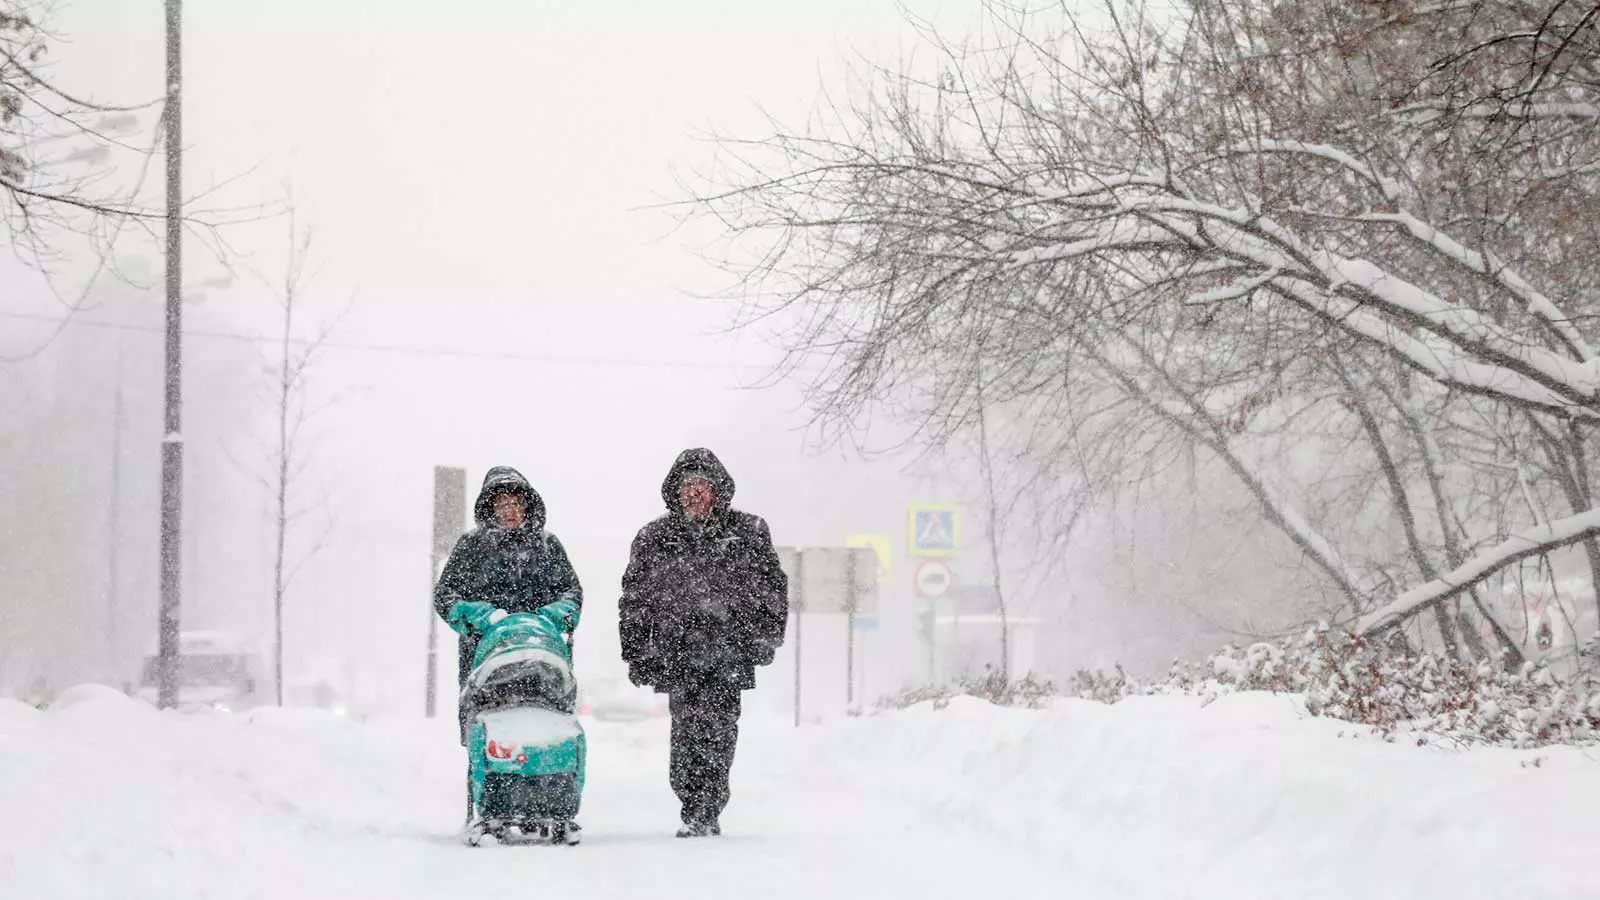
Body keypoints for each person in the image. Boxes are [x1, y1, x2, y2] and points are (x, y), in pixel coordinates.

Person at [618, 448, 789, 838]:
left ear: (717, 492)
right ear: (675, 494)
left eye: (702, 487)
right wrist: (636, 652)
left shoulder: (747, 532)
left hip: (728, 652)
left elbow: (772, 590)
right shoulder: (655, 538)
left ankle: (707, 807)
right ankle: (691, 799)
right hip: (677, 654)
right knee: (686, 730)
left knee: (721, 729)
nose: (694, 495)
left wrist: (765, 638)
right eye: (687, 488)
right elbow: (635, 600)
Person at [434, 467, 582, 810]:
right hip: (485, 657)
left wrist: (552, 615)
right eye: (503, 503)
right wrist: (478, 615)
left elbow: (571, 593)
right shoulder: (472, 547)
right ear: (491, 508)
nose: (510, 510)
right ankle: (487, 804)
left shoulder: (547, 547)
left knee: (544, 727)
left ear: (528, 506)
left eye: (517, 503)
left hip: (541, 655)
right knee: (487, 730)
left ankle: (550, 801)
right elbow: (446, 596)